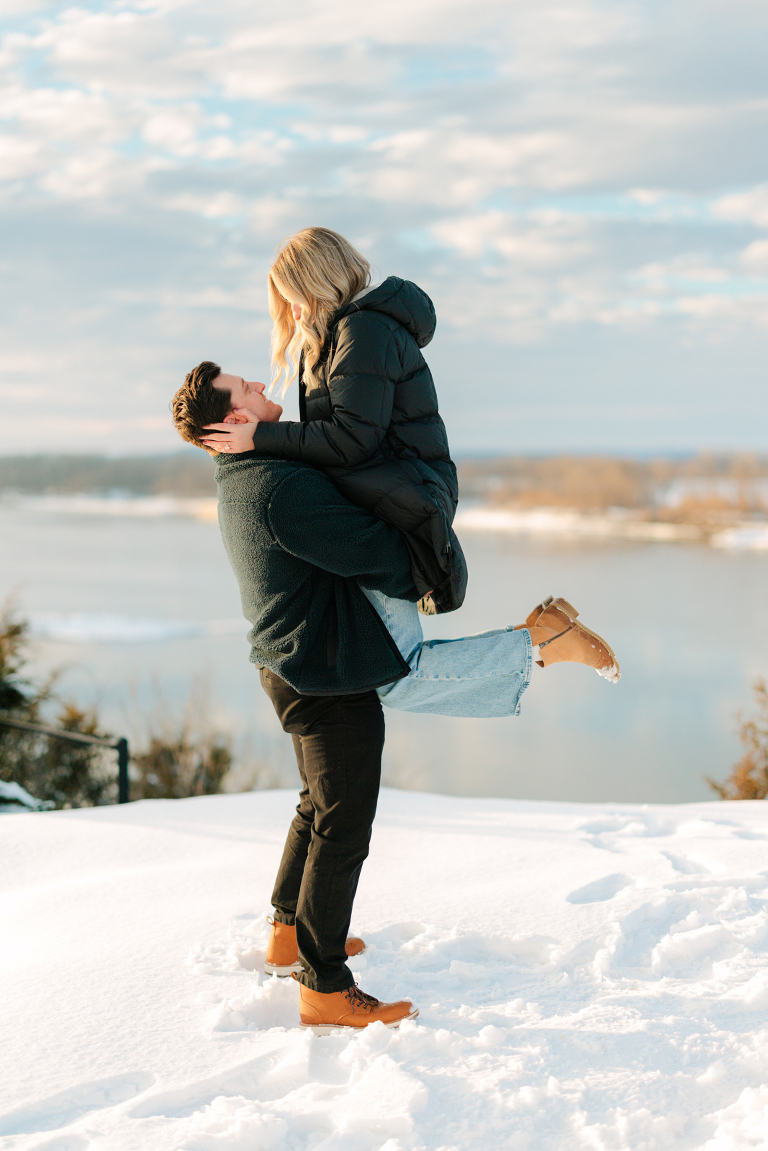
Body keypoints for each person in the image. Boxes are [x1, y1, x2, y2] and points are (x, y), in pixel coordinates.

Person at [170, 365, 621, 1034]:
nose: (267, 389)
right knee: (342, 823)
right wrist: (417, 533)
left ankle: (288, 933)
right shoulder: (277, 487)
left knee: (318, 804)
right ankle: (323, 984)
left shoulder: (244, 477)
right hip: (327, 674)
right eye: (249, 390)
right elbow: (373, 553)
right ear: (234, 420)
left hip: (298, 665)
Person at [197, 226, 466, 616]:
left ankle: (539, 643)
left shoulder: (364, 330)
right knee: (401, 673)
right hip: (386, 494)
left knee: (404, 675)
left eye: (293, 299)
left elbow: (352, 440)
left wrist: (260, 436)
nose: (292, 312)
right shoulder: (340, 334)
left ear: (316, 284)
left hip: (406, 496)